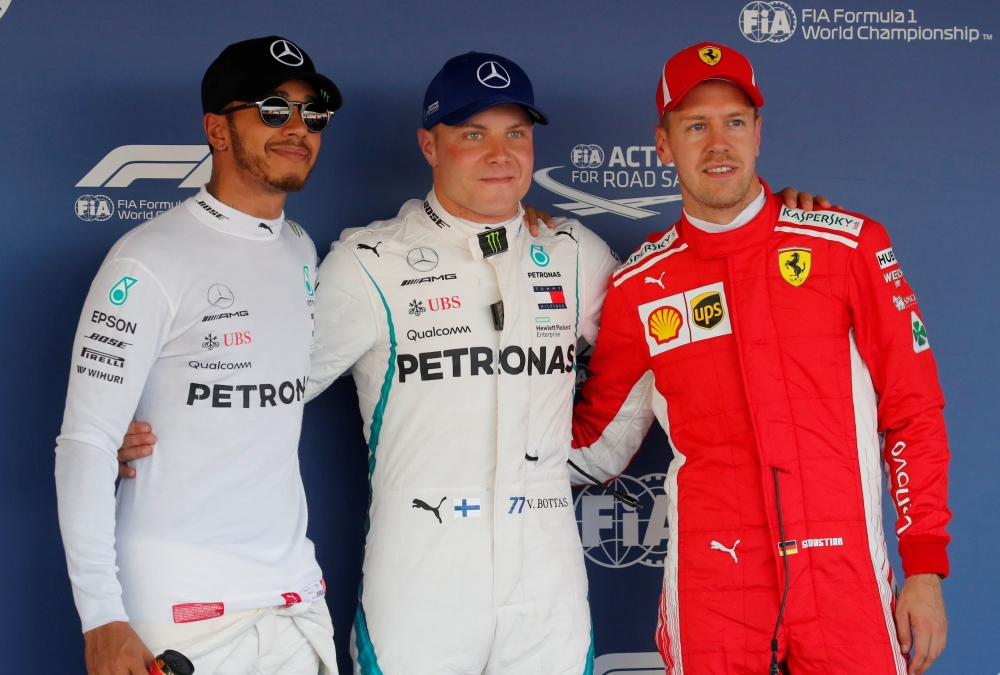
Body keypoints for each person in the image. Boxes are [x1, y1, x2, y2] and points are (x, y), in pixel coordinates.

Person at [114, 50, 828, 675]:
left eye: (516, 133)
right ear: (430, 145)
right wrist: (140, 424)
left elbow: (663, 338)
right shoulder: (369, 262)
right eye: (472, 134)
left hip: (546, 574)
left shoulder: (576, 253)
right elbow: (268, 385)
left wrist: (776, 223)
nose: (499, 153)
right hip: (420, 576)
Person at [568, 43, 950, 675]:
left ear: (758, 134)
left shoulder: (848, 247)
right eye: (696, 126)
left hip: (844, 577)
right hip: (713, 585)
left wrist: (926, 569)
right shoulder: (641, 285)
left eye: (735, 122)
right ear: (663, 145)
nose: (719, 144)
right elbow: (598, 443)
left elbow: (913, 411)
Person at [55, 36, 344, 675]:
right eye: (274, 110)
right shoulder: (149, 258)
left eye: (313, 113)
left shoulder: (300, 248)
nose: (298, 128)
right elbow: (86, 442)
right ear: (217, 129)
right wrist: (101, 616)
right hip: (182, 610)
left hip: (294, 598)